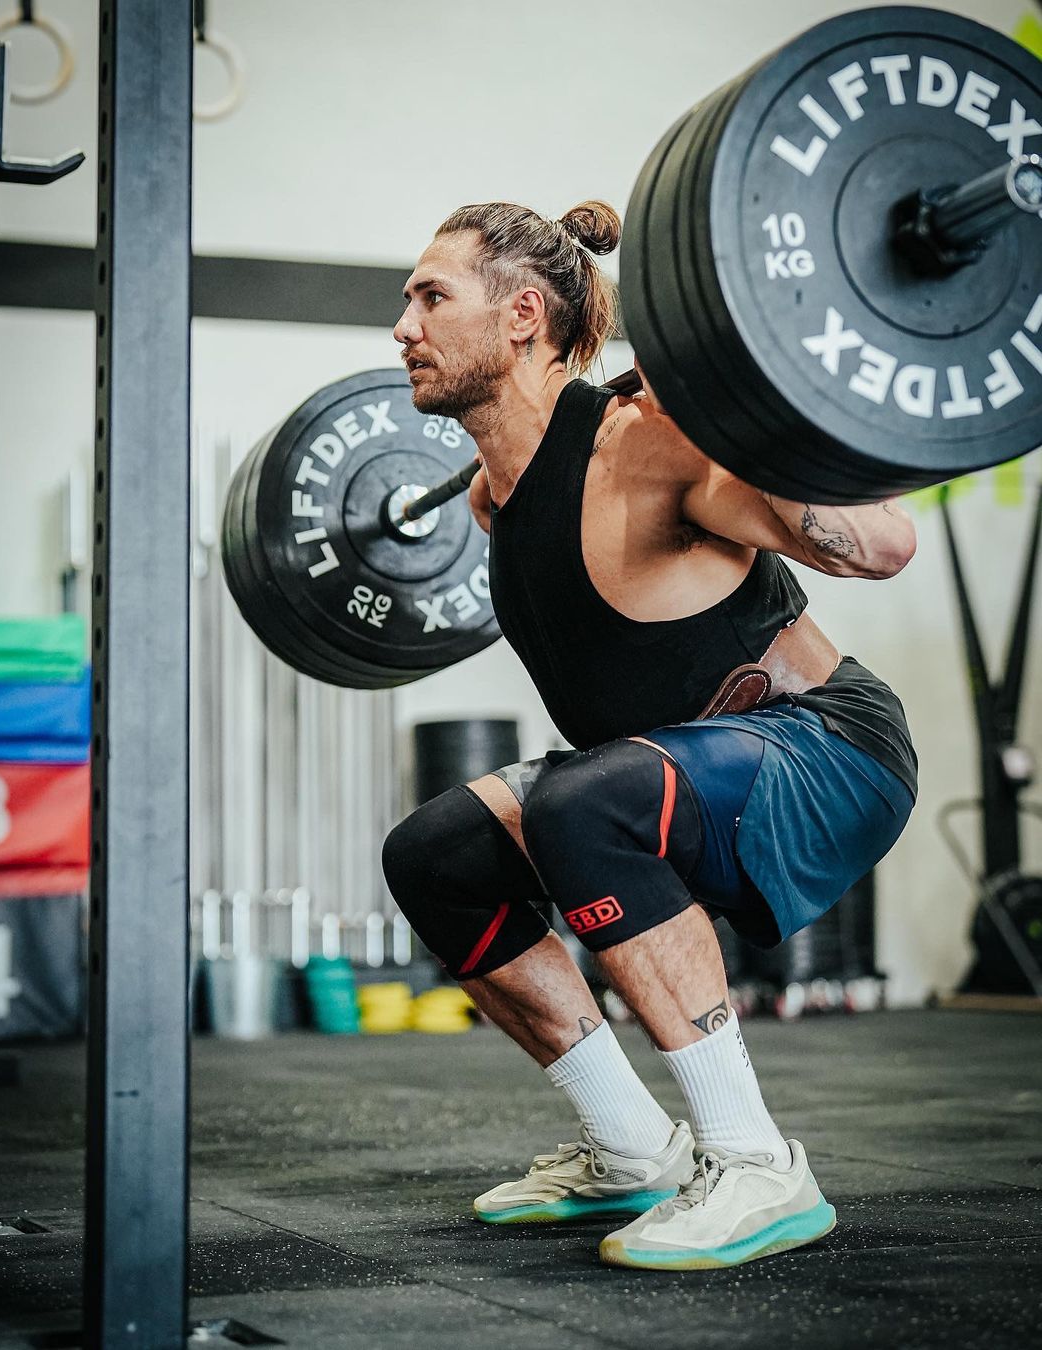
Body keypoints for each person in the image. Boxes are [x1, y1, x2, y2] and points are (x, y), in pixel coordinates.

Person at [383, 200, 917, 1271]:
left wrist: (740, 419)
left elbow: (881, 545)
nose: (404, 326)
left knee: (583, 802)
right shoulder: (495, 497)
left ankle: (755, 1163)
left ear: (522, 317)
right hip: (667, 769)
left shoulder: (648, 446)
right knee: (434, 855)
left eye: (431, 297)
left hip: (830, 750)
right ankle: (632, 1147)